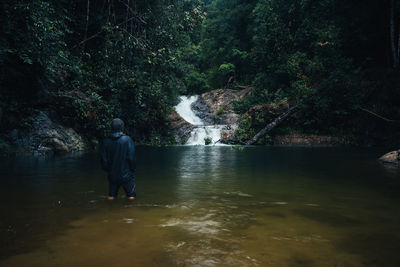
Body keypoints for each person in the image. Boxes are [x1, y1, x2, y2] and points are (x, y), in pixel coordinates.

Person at [101, 118, 136, 200]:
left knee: (111, 196)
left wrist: (108, 170)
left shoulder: (106, 141)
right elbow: (131, 158)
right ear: (122, 127)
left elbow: (104, 160)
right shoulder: (127, 140)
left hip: (112, 174)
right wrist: (132, 170)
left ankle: (110, 210)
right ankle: (131, 211)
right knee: (131, 196)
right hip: (126, 175)